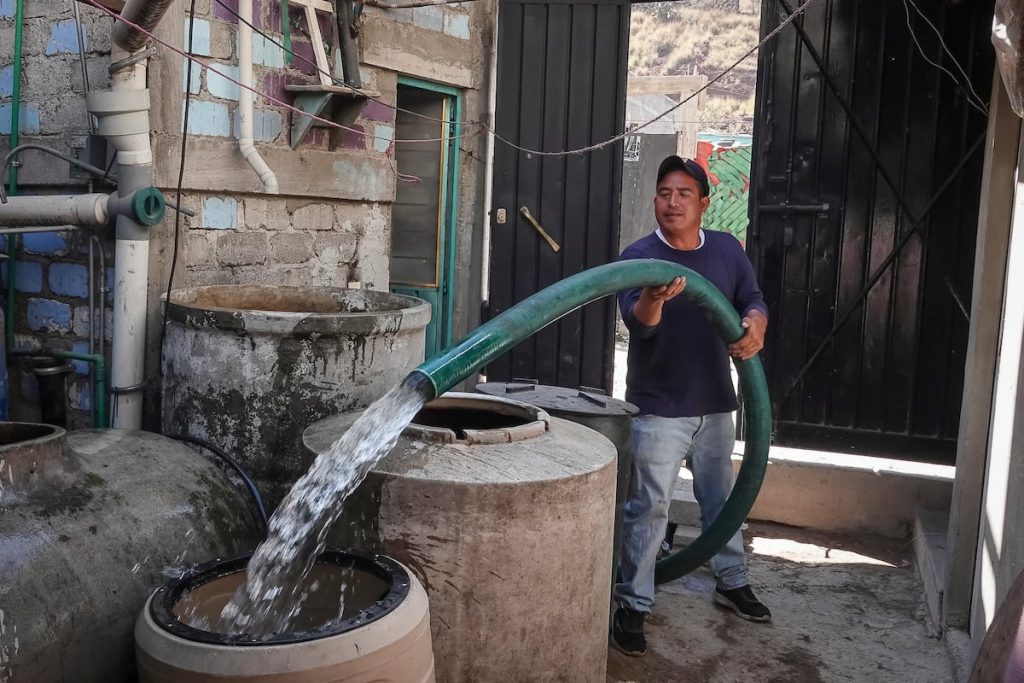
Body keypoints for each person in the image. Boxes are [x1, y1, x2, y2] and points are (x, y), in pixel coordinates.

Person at [611, 155, 771, 657]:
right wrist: (655, 298)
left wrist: (756, 323)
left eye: (683, 194)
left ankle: (731, 579)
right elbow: (638, 323)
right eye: (664, 193)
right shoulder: (638, 256)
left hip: (716, 405)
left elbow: (753, 297)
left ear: (704, 203)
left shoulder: (726, 249)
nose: (672, 202)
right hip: (658, 408)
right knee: (648, 508)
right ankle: (633, 605)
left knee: (723, 500)